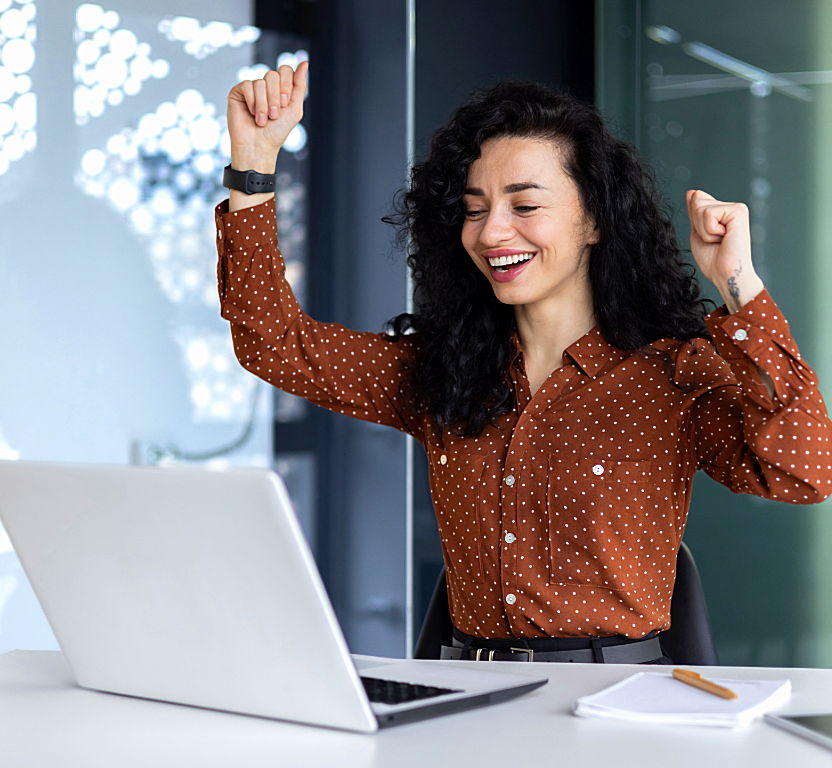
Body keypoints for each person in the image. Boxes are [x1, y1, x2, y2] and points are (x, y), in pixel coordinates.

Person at [214, 62, 832, 663]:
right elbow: (273, 343)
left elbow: (805, 471)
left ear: (593, 219)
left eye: (525, 205)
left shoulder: (672, 375)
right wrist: (254, 165)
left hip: (616, 709)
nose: (490, 233)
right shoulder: (444, 370)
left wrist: (739, 284)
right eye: (475, 208)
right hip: (467, 705)